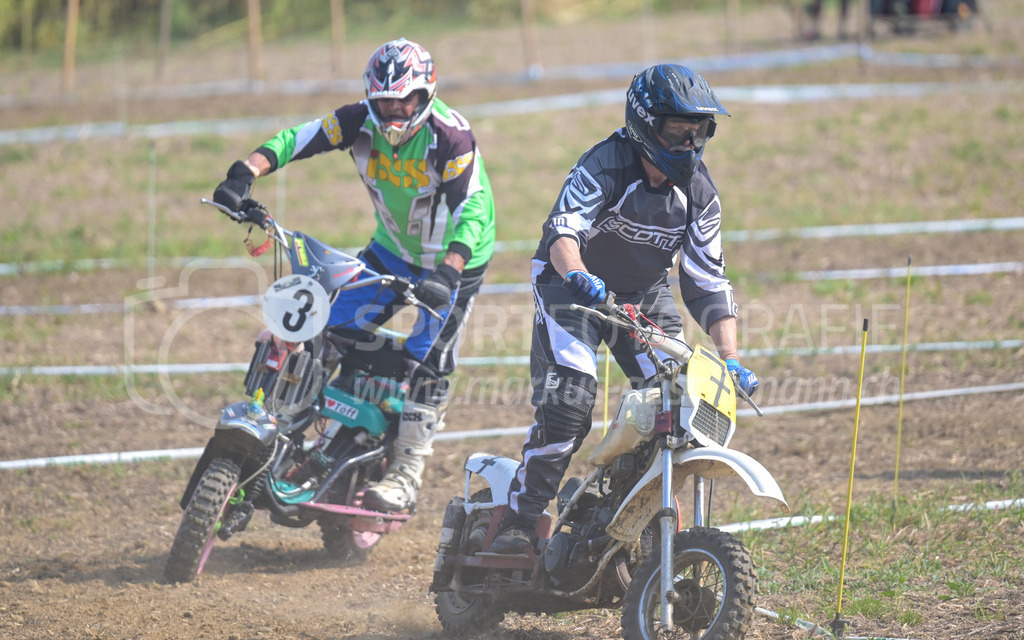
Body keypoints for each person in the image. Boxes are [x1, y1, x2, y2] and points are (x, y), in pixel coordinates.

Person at [212, 38, 496, 514]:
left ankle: (405, 473)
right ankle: (287, 433)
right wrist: (245, 172)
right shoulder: (357, 120)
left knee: (430, 361)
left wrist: (448, 271)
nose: (391, 113)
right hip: (389, 253)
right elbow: (297, 139)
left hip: (454, 263)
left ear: (425, 94)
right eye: (382, 101)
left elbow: (473, 212)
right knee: (325, 330)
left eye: (402, 100)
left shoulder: (451, 138)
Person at [490, 64, 758, 553]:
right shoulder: (605, 164)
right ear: (645, 125)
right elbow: (563, 232)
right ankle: (518, 519)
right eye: (677, 131)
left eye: (699, 132)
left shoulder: (699, 194)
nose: (689, 145)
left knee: (679, 406)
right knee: (569, 405)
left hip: (642, 293)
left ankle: (607, 509)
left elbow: (708, 280)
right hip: (571, 289)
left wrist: (731, 357)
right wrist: (576, 274)